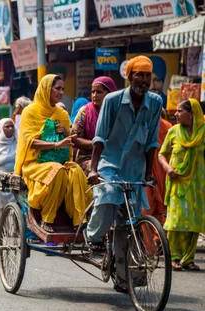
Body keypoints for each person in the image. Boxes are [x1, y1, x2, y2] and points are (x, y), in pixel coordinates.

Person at [86, 56, 162, 291]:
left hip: (134, 167)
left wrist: (149, 173)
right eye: (139, 74)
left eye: (148, 75)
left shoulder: (155, 102)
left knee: (128, 223)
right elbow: (99, 137)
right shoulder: (113, 100)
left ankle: (122, 277)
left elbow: (151, 143)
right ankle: (94, 236)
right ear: (129, 77)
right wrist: (93, 168)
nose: (144, 80)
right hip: (110, 163)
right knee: (107, 198)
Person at [15, 74, 90, 233]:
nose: (61, 92)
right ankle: (47, 218)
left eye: (62, 89)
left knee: (76, 171)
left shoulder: (62, 114)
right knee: (58, 171)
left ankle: (79, 221)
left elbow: (69, 141)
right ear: (46, 89)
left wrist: (66, 132)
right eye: (57, 88)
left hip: (59, 162)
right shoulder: (30, 112)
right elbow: (29, 142)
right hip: (34, 164)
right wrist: (55, 144)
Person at [158, 99, 205, 271]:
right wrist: (168, 168)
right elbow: (162, 154)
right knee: (175, 221)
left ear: (191, 113)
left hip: (198, 184)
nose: (176, 114)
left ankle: (188, 259)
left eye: (180, 111)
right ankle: (174, 256)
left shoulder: (203, 133)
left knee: (195, 222)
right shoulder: (173, 131)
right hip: (177, 182)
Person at [71, 77, 117, 174]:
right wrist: (97, 144)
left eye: (99, 92)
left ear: (110, 94)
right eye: (93, 92)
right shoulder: (85, 111)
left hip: (113, 157)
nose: (95, 95)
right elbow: (74, 139)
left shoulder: (118, 112)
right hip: (88, 157)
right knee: (103, 170)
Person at [143, 107, 172, 225]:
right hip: (164, 173)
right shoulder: (169, 127)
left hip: (147, 172)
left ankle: (150, 242)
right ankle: (159, 239)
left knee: (146, 210)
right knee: (161, 211)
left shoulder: (143, 125)